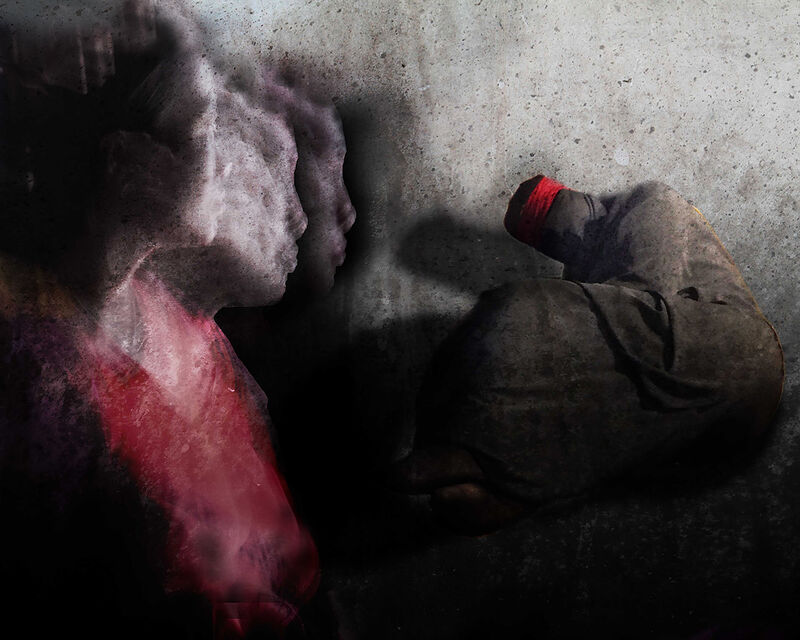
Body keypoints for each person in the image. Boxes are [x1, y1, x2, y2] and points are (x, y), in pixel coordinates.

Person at [0, 1, 353, 637]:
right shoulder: (40, 374)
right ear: (123, 157)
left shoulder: (188, 334)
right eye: (201, 128)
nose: (222, 160)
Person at [391, 175, 785, 535]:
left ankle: (489, 457)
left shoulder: (649, 202)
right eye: (545, 235)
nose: (557, 239)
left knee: (531, 317)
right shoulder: (589, 276)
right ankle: (507, 479)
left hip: (740, 351)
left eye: (554, 222)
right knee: (587, 383)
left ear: (580, 204)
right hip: (713, 431)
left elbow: (647, 302)